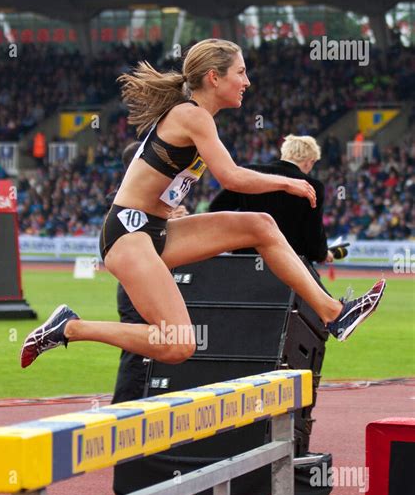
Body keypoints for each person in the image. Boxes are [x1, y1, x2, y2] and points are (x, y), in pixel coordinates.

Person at [20, 38, 385, 370]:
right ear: (214, 77)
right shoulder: (192, 115)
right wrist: (289, 181)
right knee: (179, 345)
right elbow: (231, 177)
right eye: (241, 72)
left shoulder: (197, 118)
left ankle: (334, 313)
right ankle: (70, 327)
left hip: (156, 230)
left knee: (260, 225)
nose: (247, 81)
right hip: (128, 234)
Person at [112, 141, 189, 403]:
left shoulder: (155, 195)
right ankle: (121, 411)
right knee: (138, 352)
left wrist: (174, 220)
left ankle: (144, 407)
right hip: (138, 282)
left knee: (164, 346)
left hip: (154, 279)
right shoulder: (131, 197)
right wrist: (170, 221)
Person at [209, 134, 332, 264]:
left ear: (285, 153)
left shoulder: (249, 173)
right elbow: (313, 233)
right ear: (310, 161)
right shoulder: (312, 187)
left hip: (246, 262)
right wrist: (321, 254)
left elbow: (217, 208)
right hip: (290, 265)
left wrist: (232, 242)